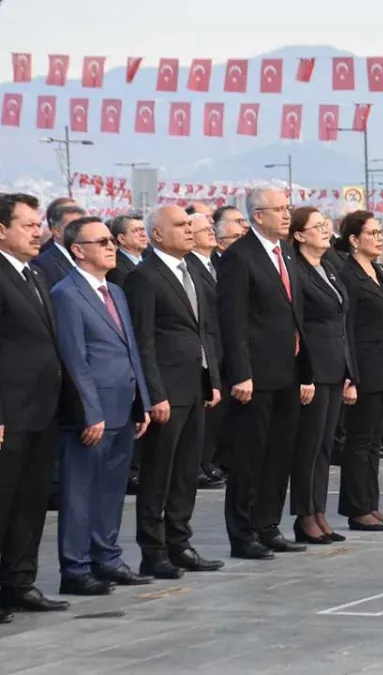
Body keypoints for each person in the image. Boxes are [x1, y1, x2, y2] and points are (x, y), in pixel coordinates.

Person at [52, 216, 153, 594]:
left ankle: (106, 557)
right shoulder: (66, 293)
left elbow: (132, 350)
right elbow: (74, 359)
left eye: (112, 240)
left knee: (111, 490)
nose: (112, 246)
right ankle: (76, 568)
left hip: (122, 409)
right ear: (78, 250)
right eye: (102, 241)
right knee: (80, 492)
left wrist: (140, 399)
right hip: (92, 414)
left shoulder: (116, 292)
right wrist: (88, 411)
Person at [123, 206, 225, 579]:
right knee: (158, 474)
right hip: (167, 391)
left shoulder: (192, 273)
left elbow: (204, 333)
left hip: (195, 387)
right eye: (180, 225)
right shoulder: (144, 278)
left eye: (189, 225)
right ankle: (154, 549)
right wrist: (154, 393)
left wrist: (212, 379)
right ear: (157, 235)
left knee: (185, 472)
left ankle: (180, 541)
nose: (188, 230)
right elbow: (143, 341)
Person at [219, 186, 312, 560]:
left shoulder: (285, 252)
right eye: (279, 209)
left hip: (287, 370)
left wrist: (305, 369)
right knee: (249, 455)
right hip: (255, 374)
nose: (286, 215)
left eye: (287, 208)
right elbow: (233, 320)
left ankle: (267, 524)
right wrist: (240, 372)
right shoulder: (240, 257)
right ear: (258, 215)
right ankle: (243, 533)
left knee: (279, 453)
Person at [0, 194, 70, 619]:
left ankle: (19, 580)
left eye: (36, 224)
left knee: (31, 500)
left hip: (43, 408)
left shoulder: (34, 275)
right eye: (26, 225)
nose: (36, 232)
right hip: (10, 412)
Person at [336, 211, 383, 532]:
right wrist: (349, 374)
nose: (379, 238)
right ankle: (357, 507)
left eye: (381, 233)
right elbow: (347, 327)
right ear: (354, 240)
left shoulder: (379, 270)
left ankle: (370, 504)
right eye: (371, 233)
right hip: (364, 366)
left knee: (375, 441)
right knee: (360, 440)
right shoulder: (348, 274)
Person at [288, 207, 354, 544]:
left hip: (335, 367)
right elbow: (300, 327)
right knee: (309, 446)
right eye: (318, 227)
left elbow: (343, 323)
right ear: (299, 235)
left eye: (327, 225)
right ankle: (304, 515)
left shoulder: (329, 267)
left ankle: (319, 511)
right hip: (313, 369)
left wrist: (349, 371)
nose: (326, 231)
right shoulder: (296, 271)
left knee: (325, 446)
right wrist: (305, 375)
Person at [189, 212, 227, 489]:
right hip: (205, 348)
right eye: (204, 229)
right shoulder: (190, 266)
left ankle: (209, 461)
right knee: (205, 412)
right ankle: (198, 464)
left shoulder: (216, 262)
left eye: (211, 228)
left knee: (216, 414)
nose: (211, 233)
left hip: (221, 347)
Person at [31, 202, 86, 288]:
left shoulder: (90, 256)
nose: (81, 232)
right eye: (74, 227)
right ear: (57, 231)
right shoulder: (42, 264)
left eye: (83, 226)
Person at [107, 213, 147, 288]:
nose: (143, 234)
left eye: (143, 229)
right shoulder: (115, 269)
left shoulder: (149, 258)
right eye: (136, 230)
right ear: (122, 238)